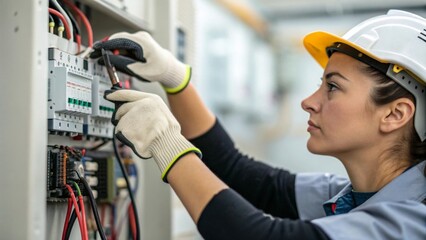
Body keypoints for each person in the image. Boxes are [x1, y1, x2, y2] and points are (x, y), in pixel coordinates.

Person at [91, 9, 426, 239]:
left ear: (395, 114)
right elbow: (234, 171)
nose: (308, 101)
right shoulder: (349, 197)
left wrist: (166, 143)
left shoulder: (413, 223)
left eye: (333, 87)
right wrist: (175, 79)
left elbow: (254, 236)